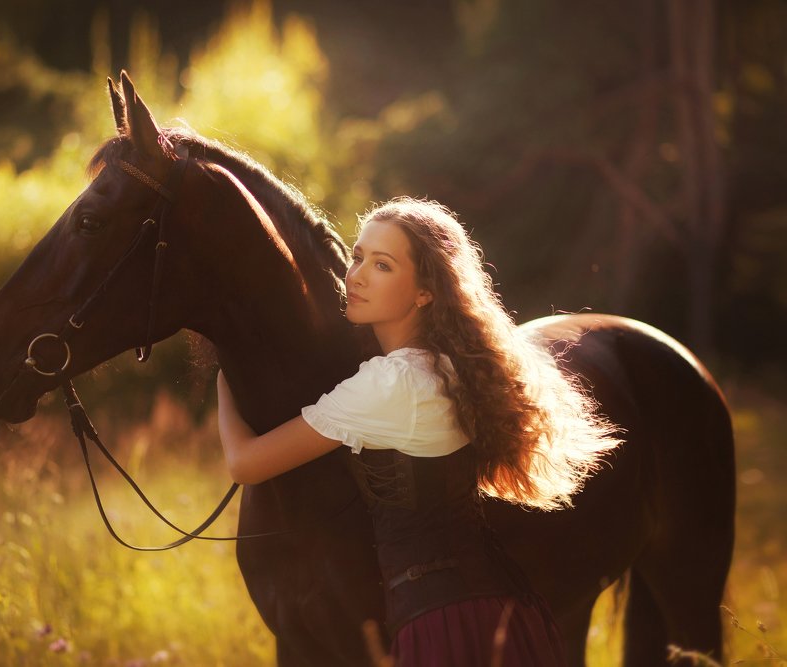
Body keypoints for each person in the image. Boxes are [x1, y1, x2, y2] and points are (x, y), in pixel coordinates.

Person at [216, 196, 622, 666]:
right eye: (357, 256)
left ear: (425, 292)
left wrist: (227, 371)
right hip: (492, 605)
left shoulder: (393, 384)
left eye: (383, 265)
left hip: (439, 623)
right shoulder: (446, 366)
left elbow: (245, 464)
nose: (358, 276)